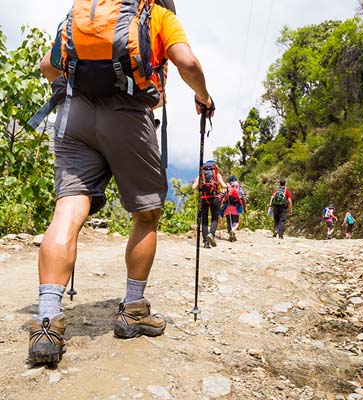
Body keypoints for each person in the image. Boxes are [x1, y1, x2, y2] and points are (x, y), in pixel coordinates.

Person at [29, 0, 214, 365]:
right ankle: (133, 310)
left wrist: (79, 93)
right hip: (128, 116)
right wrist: (203, 96)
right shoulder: (157, 15)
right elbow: (187, 63)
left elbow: (49, 66)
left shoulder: (84, 13)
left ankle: (47, 319)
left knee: (68, 208)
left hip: (74, 116)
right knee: (146, 213)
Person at [192, 161, 227, 248]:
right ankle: (211, 234)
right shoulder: (217, 175)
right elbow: (223, 185)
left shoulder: (201, 175)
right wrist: (227, 186)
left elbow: (194, 187)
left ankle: (206, 242)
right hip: (215, 198)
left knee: (204, 220)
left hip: (204, 199)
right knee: (215, 219)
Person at [222, 176, 246, 242]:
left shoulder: (227, 187)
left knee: (229, 222)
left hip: (227, 207)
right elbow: (243, 198)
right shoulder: (239, 187)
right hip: (236, 207)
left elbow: (222, 196)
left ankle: (230, 235)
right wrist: (244, 207)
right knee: (236, 221)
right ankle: (232, 231)